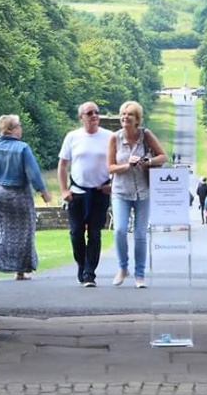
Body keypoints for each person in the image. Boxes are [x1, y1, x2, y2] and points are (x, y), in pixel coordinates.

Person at [108, 100, 167, 288]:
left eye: (130, 115)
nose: (125, 117)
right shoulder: (115, 138)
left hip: (143, 191)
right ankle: (122, 267)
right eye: (123, 114)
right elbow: (110, 167)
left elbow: (163, 156)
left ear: (137, 119)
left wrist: (147, 161)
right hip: (121, 191)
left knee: (140, 234)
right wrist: (127, 165)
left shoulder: (145, 135)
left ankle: (139, 274)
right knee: (119, 230)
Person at [0, 114, 52, 281]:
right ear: (12, 129)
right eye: (19, 126)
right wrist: (43, 192)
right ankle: (20, 271)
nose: (21, 129)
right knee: (23, 231)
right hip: (19, 193)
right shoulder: (22, 148)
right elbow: (33, 172)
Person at [58, 101, 113, 288]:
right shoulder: (72, 137)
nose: (94, 116)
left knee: (95, 234)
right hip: (77, 193)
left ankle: (90, 273)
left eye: (96, 112)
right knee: (76, 233)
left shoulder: (109, 137)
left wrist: (111, 185)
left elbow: (117, 162)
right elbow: (63, 166)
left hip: (99, 192)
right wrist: (64, 190)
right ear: (81, 117)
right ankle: (81, 265)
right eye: (90, 113)